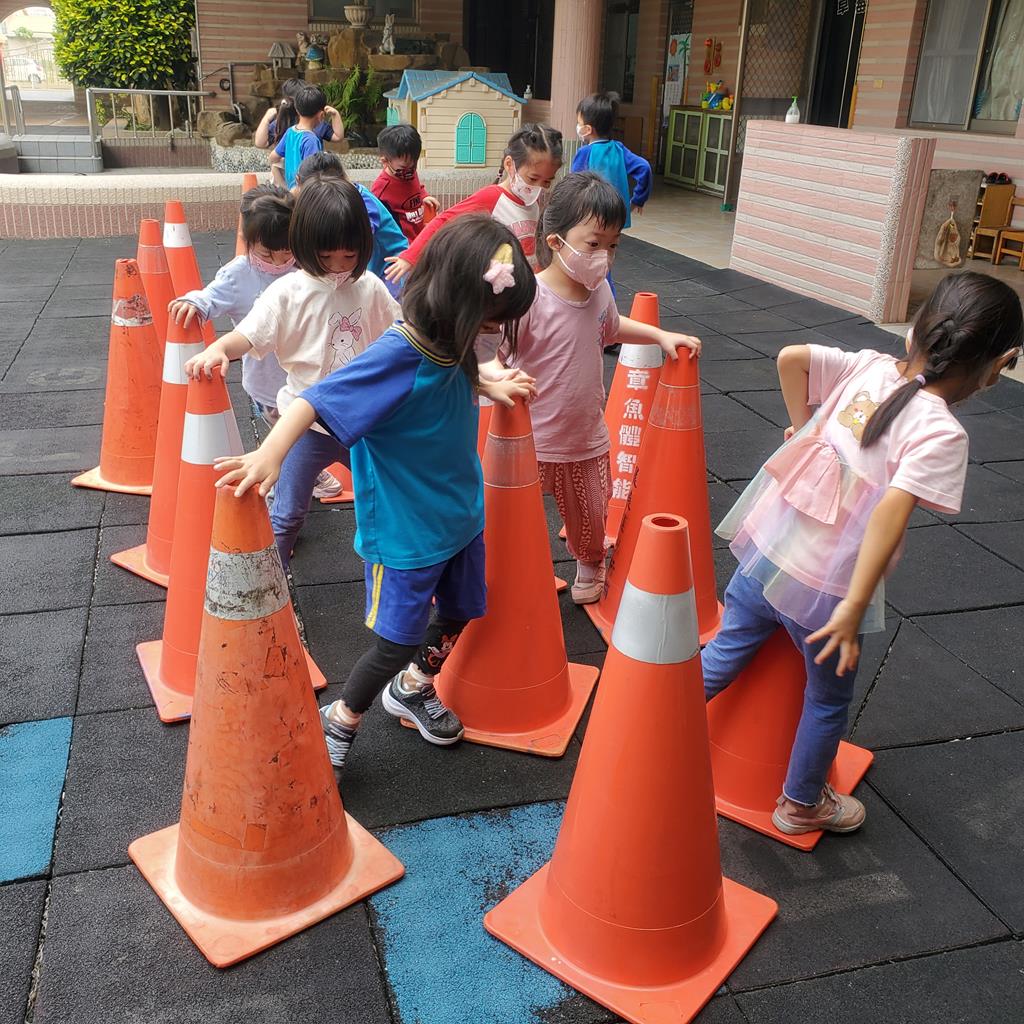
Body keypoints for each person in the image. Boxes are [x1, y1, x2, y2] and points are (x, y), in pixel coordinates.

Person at [211, 216, 538, 776]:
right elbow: (315, 400)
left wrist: (488, 380)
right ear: (456, 304)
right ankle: (342, 718)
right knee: (395, 641)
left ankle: (414, 686)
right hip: (406, 532)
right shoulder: (398, 353)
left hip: (459, 517)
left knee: (462, 610)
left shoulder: (451, 340)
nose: (492, 332)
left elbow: (456, 371)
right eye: (488, 321)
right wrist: (271, 453)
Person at [702, 271, 1023, 837]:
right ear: (1000, 366)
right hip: (825, 594)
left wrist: (804, 430)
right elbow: (889, 514)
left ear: (914, 331)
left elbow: (791, 358)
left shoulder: (867, 366)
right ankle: (801, 805)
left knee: (725, 651)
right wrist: (853, 604)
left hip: (765, 553)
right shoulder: (941, 433)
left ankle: (651, 715)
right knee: (827, 700)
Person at [480, 172, 701, 604]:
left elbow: (613, 328)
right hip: (529, 437)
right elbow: (491, 350)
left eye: (613, 245)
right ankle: (512, 572)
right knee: (510, 516)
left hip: (583, 437)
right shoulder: (528, 299)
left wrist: (658, 335)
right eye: (594, 243)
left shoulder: (598, 293)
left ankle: (589, 564)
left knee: (591, 514)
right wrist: (497, 376)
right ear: (556, 241)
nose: (605, 256)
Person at [184, 177, 402, 567]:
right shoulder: (288, 293)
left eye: (349, 256)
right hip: (305, 427)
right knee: (286, 514)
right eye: (326, 256)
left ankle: (397, 573)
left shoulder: (369, 287)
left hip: (364, 425)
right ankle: (270, 589)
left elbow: (401, 334)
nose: (338, 267)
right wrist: (219, 348)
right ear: (303, 245)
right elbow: (248, 334)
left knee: (390, 503)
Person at [385, 123, 562, 284]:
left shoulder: (533, 204)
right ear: (510, 164)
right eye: (533, 178)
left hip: (523, 287)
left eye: (547, 181)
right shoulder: (491, 197)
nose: (539, 187)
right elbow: (444, 221)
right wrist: (410, 257)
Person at [293, 150, 406, 297]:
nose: (320, 200)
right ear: (298, 182)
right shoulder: (300, 202)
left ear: (343, 181)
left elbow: (351, 242)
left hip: (392, 266)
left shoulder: (362, 203)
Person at [571, 92, 651, 230]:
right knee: (611, 242)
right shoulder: (620, 150)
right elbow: (645, 167)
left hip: (591, 216)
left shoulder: (585, 153)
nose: (577, 126)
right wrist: (638, 199)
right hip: (616, 215)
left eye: (579, 123)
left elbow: (573, 185)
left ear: (588, 129)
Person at [370, 122, 439, 243]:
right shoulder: (381, 189)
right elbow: (376, 219)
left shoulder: (409, 173)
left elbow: (417, 187)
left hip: (419, 236)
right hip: (403, 244)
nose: (410, 171)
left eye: (413, 166)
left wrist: (424, 196)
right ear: (385, 161)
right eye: (404, 167)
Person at [270, 84, 339, 189]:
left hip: (292, 189)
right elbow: (313, 173)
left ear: (297, 110)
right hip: (306, 191)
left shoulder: (290, 132)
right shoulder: (311, 140)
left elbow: (273, 158)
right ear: (321, 115)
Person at [253, 77, 342, 150]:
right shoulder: (282, 122)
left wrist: (335, 115)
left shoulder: (316, 122)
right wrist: (266, 119)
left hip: (309, 165)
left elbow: (338, 137)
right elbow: (260, 143)